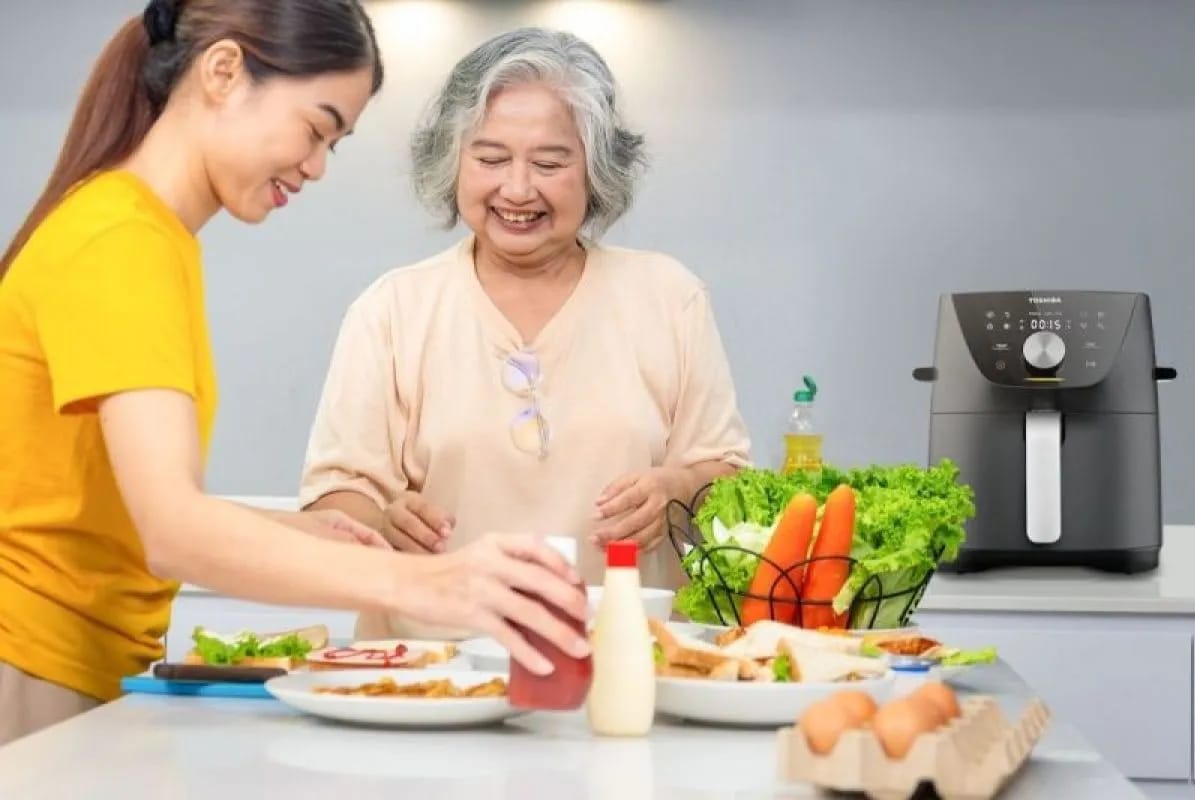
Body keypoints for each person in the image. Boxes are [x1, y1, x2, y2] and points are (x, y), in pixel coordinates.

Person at [0, 2, 587, 746]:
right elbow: (172, 530)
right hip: (29, 666)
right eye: (316, 128)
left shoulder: (148, 235)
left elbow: (99, 504)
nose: (314, 167)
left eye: (332, 146)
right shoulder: (121, 239)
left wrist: (303, 533)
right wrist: (427, 584)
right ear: (223, 72)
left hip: (67, 664)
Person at [301, 27, 751, 639]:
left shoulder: (670, 298)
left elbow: (725, 477)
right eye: (489, 159)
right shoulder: (392, 309)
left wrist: (677, 486)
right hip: (429, 668)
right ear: (452, 162)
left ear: (595, 170)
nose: (517, 189)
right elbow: (334, 496)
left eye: (549, 162)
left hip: (625, 655)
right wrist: (381, 518)